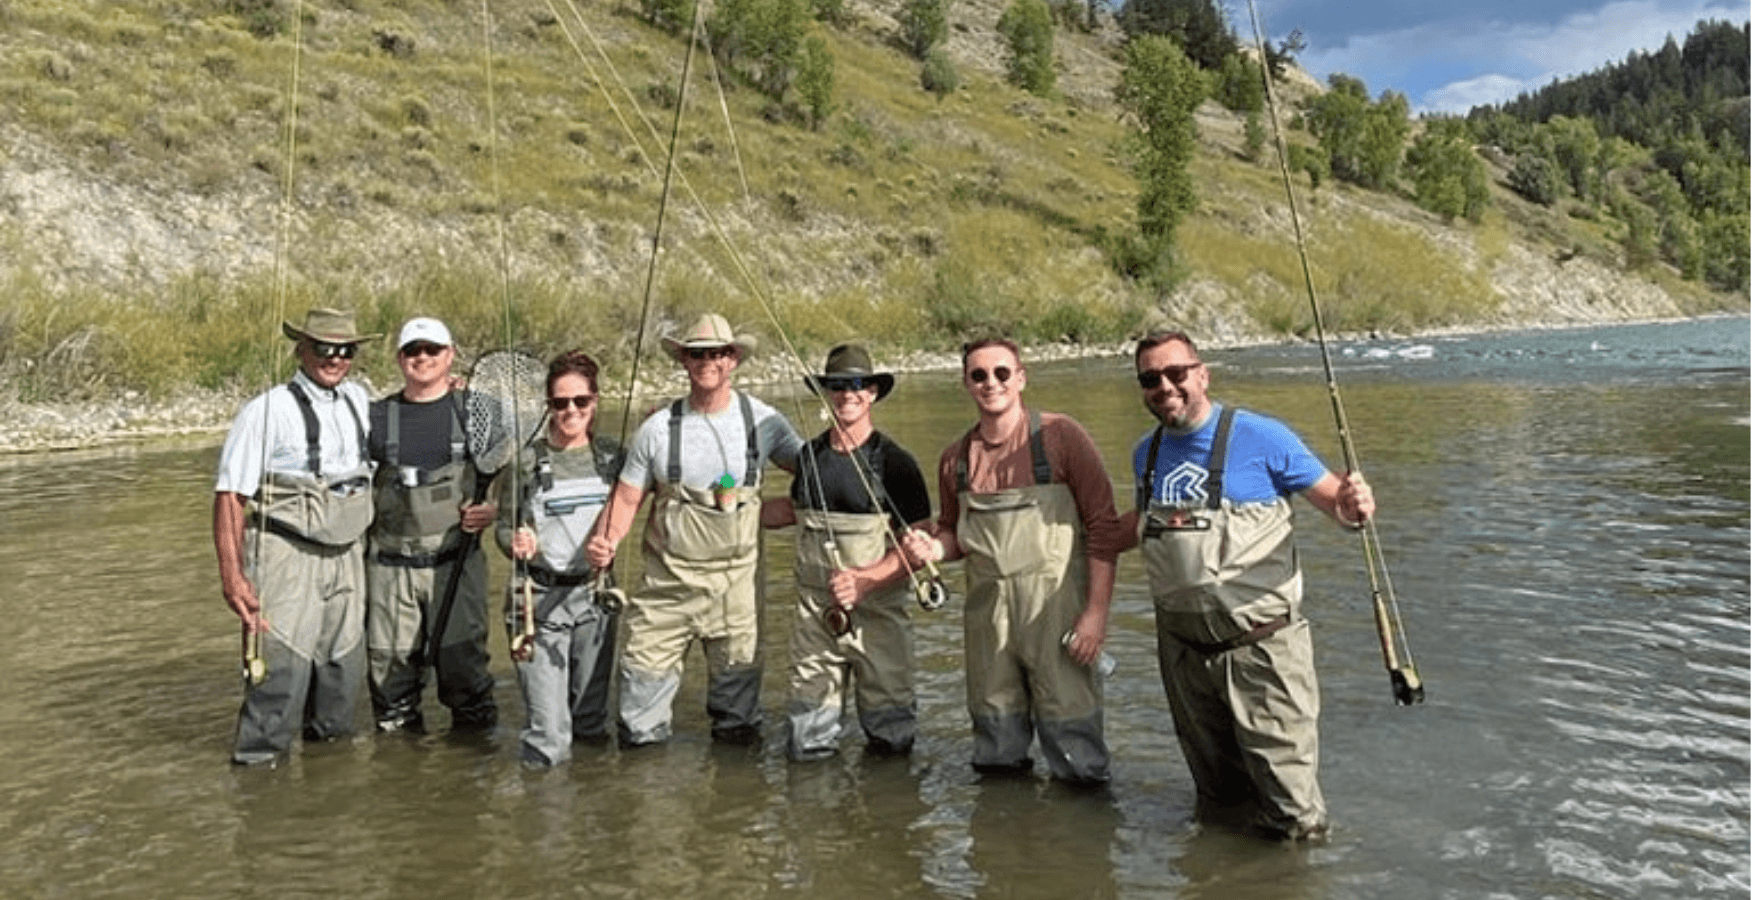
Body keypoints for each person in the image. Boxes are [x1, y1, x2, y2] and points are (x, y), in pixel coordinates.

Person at [1126, 330, 1375, 842]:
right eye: (1151, 379)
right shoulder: (1143, 456)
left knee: (1293, 812)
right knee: (1217, 803)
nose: (1165, 387)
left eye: (1176, 373)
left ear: (1202, 374)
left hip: (1262, 650)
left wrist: (1355, 505)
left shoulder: (1264, 437)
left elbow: (1340, 509)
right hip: (1182, 655)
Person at [900, 338, 1127, 784]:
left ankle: (1080, 839)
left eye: (1002, 373)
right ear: (966, 384)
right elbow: (955, 534)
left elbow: (1104, 528)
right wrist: (933, 549)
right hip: (989, 624)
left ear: (1021, 378)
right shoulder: (955, 460)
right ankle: (1003, 843)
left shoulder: (1063, 437)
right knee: (995, 749)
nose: (992, 383)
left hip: (1058, 616)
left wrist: (1096, 614)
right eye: (979, 375)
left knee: (1075, 749)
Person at [585, 312, 803, 746]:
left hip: (735, 593)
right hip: (665, 591)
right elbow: (628, 498)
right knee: (639, 717)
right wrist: (605, 541)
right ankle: (646, 801)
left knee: (738, 723)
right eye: (698, 354)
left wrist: (769, 510)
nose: (709, 361)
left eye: (718, 353)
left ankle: (735, 805)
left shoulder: (766, 423)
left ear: (734, 359)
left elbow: (819, 478)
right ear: (683, 360)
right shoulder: (655, 429)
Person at [213, 307, 380, 765]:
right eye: (324, 348)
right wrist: (233, 577)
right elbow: (229, 497)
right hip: (285, 555)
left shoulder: (361, 401)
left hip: (347, 554)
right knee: (280, 678)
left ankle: (326, 799)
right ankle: (257, 776)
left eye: (346, 350)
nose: (335, 359)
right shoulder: (267, 411)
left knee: (342, 678)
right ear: (301, 349)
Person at [761, 344, 934, 761]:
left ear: (872, 392)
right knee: (806, 740)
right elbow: (793, 512)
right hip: (814, 621)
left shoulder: (896, 463)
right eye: (836, 386)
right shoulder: (807, 457)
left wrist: (865, 580)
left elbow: (920, 547)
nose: (847, 395)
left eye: (857, 385)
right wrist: (725, 502)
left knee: (892, 743)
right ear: (825, 392)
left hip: (880, 620)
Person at [362, 317, 500, 733]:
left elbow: (520, 478)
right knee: (390, 681)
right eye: (412, 351)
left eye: (432, 350)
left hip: (456, 565)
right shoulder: (374, 416)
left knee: (466, 677)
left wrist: (493, 507)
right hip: (390, 571)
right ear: (400, 359)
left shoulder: (479, 411)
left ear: (450, 355)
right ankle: (401, 777)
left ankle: (473, 772)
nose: (422, 358)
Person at [493, 350, 625, 765]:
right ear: (548, 405)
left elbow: (688, 481)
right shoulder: (526, 462)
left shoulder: (614, 457)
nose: (570, 411)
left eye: (580, 401)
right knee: (549, 735)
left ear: (595, 401)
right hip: (537, 604)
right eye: (559, 402)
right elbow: (501, 526)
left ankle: (587, 815)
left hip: (595, 601)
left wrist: (729, 488)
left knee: (590, 724)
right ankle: (544, 817)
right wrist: (513, 541)